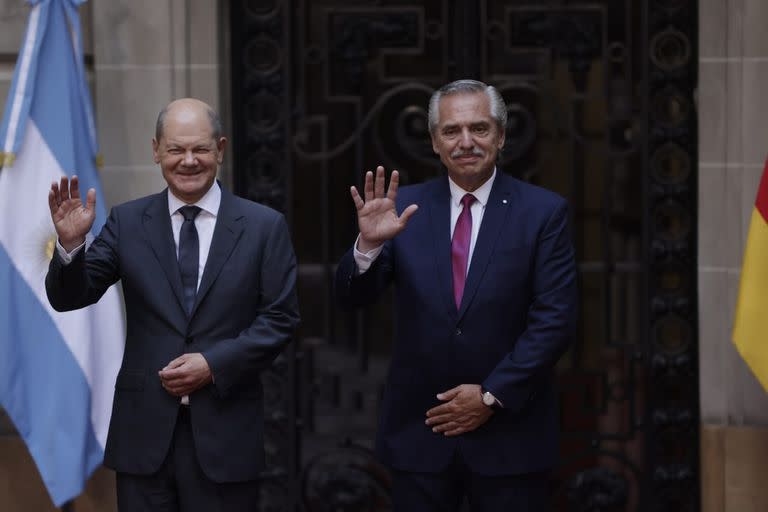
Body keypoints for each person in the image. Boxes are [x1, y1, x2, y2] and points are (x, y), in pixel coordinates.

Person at [45, 98, 300, 511]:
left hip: (225, 436)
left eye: (200, 149)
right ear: (155, 151)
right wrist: (72, 245)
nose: (188, 161)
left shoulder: (263, 227)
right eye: (176, 149)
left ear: (220, 149)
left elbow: (280, 320)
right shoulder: (128, 222)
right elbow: (71, 297)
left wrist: (213, 364)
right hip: (144, 438)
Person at [335, 79, 578, 510]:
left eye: (479, 129)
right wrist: (368, 246)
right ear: (434, 141)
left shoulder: (543, 212)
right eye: (451, 131)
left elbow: (555, 319)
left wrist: (490, 395)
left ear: (501, 136)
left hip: (511, 435)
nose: (466, 142)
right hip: (420, 433)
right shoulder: (402, 209)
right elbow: (353, 299)